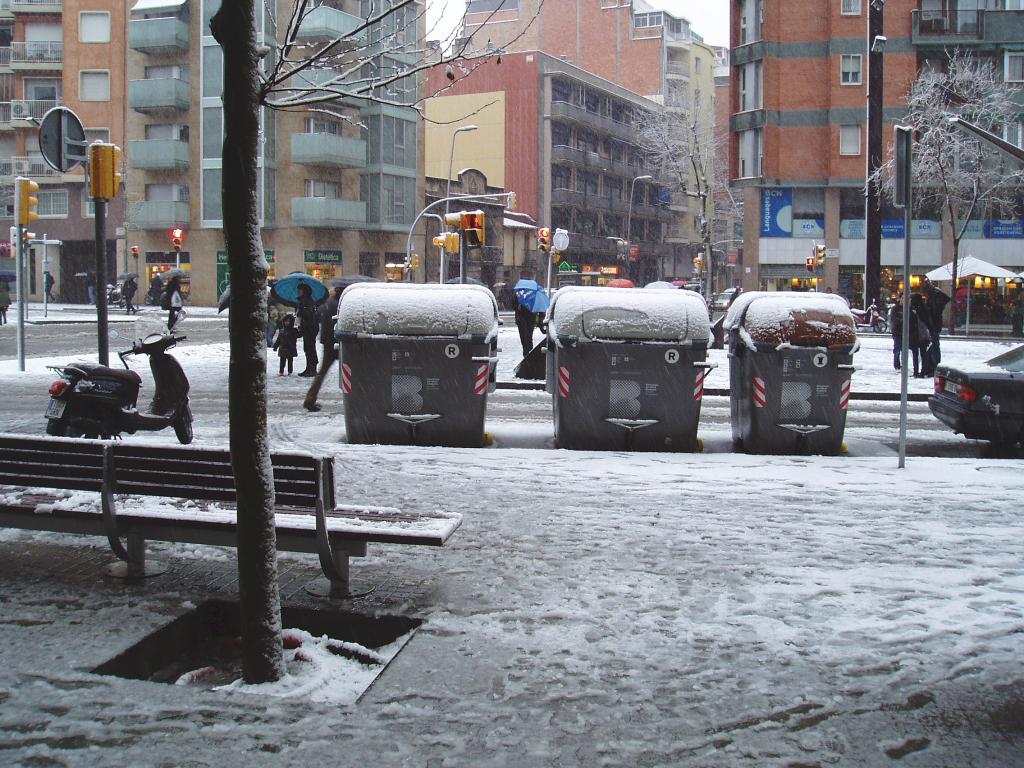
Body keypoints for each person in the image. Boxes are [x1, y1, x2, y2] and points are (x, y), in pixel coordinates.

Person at [304, 286, 343, 412]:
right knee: (355, 372)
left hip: (328, 342)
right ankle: (359, 401)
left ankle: (310, 399)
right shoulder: (338, 306)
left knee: (322, 372)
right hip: (337, 342)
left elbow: (318, 316)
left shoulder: (328, 303)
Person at [922, 280, 950, 377]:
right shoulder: (935, 297)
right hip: (935, 324)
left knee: (934, 345)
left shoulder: (934, 298)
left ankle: (934, 364)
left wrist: (927, 309)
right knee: (935, 344)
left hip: (934, 324)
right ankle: (933, 364)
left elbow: (933, 312)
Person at [514, 271, 541, 358]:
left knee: (527, 337)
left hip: (528, 317)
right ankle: (527, 353)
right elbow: (513, 304)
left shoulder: (532, 293)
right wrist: (518, 305)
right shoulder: (518, 293)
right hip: (523, 317)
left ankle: (528, 354)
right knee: (526, 337)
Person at [296, 282, 319, 377]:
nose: (298, 292)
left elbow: (308, 314)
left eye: (300, 290)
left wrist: (300, 312)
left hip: (310, 328)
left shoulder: (307, 301)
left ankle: (312, 369)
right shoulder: (303, 301)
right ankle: (309, 368)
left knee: (310, 348)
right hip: (307, 327)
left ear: (305, 291)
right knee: (308, 348)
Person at [909, 293, 931, 378]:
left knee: (916, 354)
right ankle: (922, 371)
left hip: (916, 334)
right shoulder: (923, 307)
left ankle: (917, 372)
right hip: (921, 334)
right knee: (922, 354)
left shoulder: (914, 308)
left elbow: (911, 321)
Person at [889, 301, 902, 371]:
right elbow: (893, 319)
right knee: (897, 349)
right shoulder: (895, 308)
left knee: (904, 350)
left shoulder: (908, 308)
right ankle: (897, 365)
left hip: (906, 332)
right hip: (897, 332)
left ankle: (903, 364)